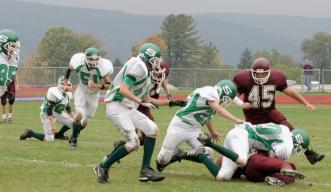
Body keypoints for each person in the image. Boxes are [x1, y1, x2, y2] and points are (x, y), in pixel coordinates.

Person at [92, 43, 168, 184]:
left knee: (152, 129)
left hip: (128, 107)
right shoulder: (138, 65)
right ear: (149, 58)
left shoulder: (146, 71)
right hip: (117, 106)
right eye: (156, 60)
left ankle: (145, 170)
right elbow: (123, 89)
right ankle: (102, 167)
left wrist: (169, 103)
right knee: (133, 143)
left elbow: (146, 98)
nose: (158, 63)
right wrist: (140, 101)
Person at [232, 57, 324, 164]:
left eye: (263, 74)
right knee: (252, 140)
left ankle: (309, 154)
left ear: (269, 72)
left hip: (270, 112)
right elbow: (233, 96)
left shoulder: (275, 78)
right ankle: (248, 159)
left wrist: (306, 103)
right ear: (252, 72)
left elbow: (291, 92)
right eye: (257, 74)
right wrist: (241, 104)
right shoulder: (244, 79)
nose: (261, 77)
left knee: (289, 129)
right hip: (253, 115)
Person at [168, 123, 309, 187]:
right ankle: (210, 145)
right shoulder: (287, 146)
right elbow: (273, 160)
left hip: (240, 136)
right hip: (242, 137)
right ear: (298, 145)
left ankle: (201, 155)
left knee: (222, 177)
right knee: (241, 160)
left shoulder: (284, 130)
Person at [155, 79, 247, 173]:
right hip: (180, 125)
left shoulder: (213, 97)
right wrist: (236, 119)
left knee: (207, 153)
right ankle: (169, 157)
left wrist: (212, 131)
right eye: (228, 99)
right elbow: (220, 110)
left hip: (194, 130)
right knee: (163, 160)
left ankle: (180, 155)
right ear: (224, 94)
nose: (226, 102)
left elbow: (207, 117)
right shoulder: (210, 92)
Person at [63, 47, 114, 150]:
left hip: (94, 95)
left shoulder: (103, 67)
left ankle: (74, 134)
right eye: (91, 59)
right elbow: (69, 69)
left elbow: (110, 85)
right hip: (81, 91)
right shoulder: (78, 62)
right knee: (79, 115)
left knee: (86, 121)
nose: (94, 62)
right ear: (86, 58)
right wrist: (65, 84)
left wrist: (96, 85)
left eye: (96, 59)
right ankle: (74, 140)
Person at [19, 76, 73, 141]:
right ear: (60, 85)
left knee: (73, 123)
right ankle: (30, 133)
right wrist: (53, 125)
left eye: (68, 85)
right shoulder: (54, 93)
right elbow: (49, 110)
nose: (67, 86)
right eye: (64, 84)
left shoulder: (68, 94)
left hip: (57, 112)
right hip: (46, 113)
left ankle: (59, 135)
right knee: (49, 139)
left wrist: (75, 117)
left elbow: (67, 106)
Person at [0, 29, 20, 118]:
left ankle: (10, 117)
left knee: (12, 98)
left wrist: (17, 83)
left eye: (14, 46)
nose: (13, 48)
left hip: (9, 81)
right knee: (3, 100)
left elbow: (14, 71)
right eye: (11, 46)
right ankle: (4, 117)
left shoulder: (14, 58)